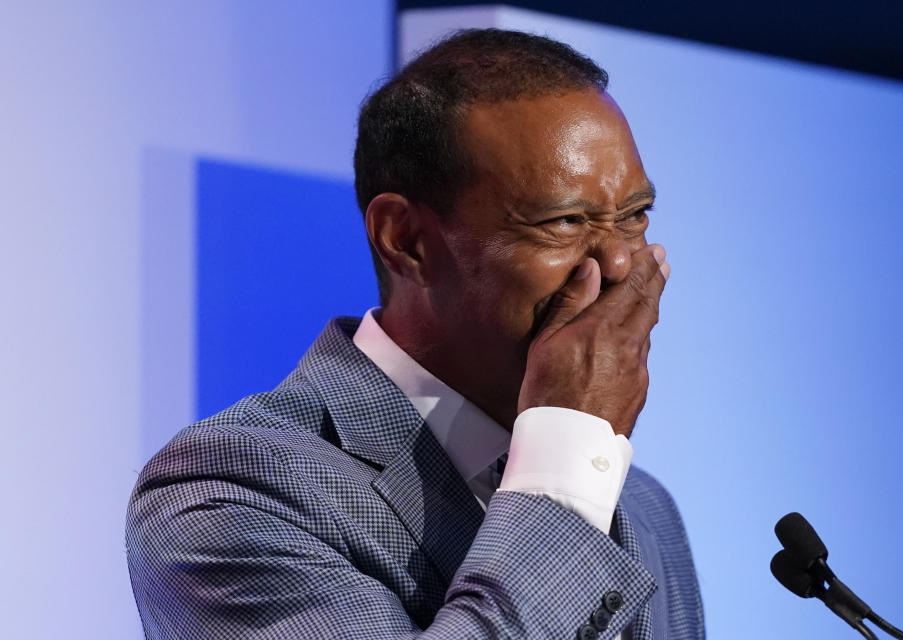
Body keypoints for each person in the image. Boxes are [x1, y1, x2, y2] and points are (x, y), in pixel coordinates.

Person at [127, 29, 703, 639]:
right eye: (563, 221)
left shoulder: (640, 506)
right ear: (404, 239)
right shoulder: (230, 491)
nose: (619, 264)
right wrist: (567, 467)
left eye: (635, 216)